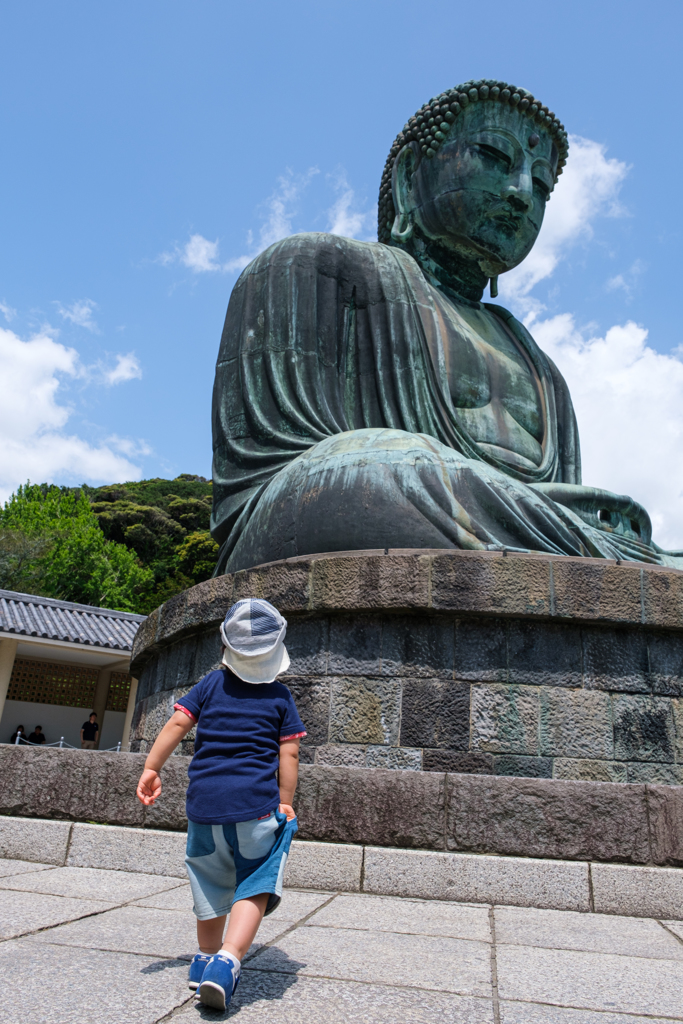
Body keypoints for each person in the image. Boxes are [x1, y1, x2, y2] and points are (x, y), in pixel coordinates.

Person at [210, 78, 682, 572]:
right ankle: (617, 560)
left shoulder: (542, 371)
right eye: (494, 157)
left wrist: (558, 512)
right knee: (376, 470)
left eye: (540, 184)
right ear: (409, 175)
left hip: (496, 537)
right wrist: (420, 466)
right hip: (340, 513)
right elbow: (274, 480)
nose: (522, 194)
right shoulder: (310, 267)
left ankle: (603, 556)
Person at [136, 598, 305, 1012]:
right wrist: (285, 802)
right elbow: (290, 755)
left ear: (227, 647)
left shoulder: (210, 685)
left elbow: (177, 722)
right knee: (255, 882)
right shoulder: (281, 697)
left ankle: (203, 959)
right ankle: (228, 961)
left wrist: (151, 768)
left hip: (205, 809)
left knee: (210, 882)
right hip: (256, 809)